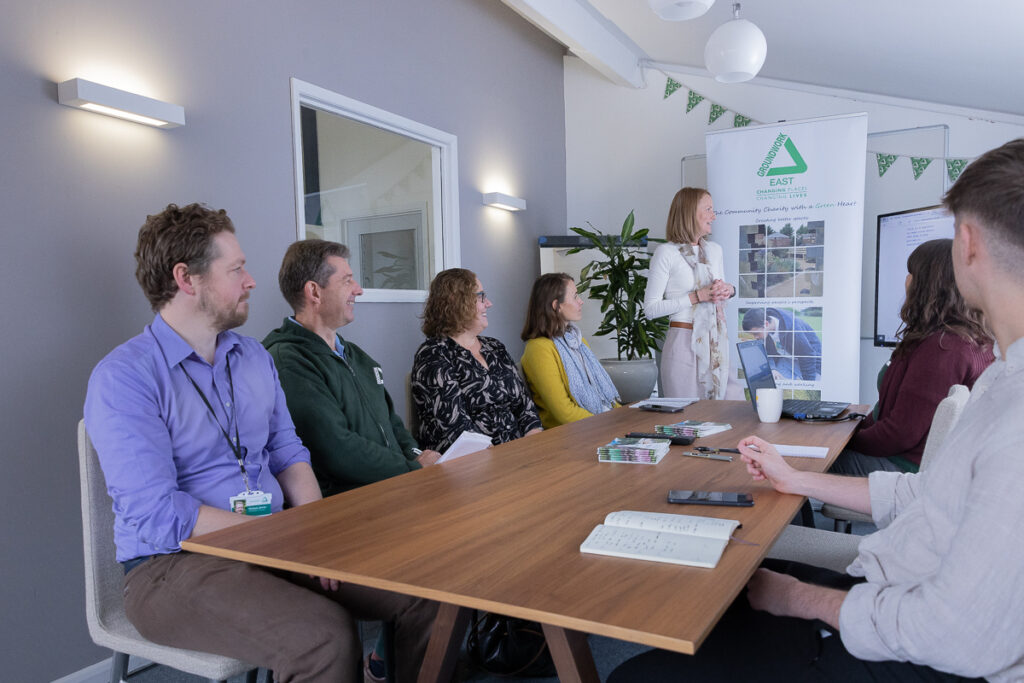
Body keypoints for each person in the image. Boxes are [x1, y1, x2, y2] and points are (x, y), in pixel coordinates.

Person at [610, 139, 1024, 681]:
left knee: (635, 673)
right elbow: (924, 493)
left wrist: (801, 599)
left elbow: (952, 634)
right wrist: (795, 480)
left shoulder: (1010, 410)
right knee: (737, 583)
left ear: (966, 243)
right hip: (890, 586)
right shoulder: (1000, 373)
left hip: (903, 641)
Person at [84, 204, 435, 683]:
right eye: (236, 269)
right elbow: (158, 513)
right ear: (187, 279)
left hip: (275, 538)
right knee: (323, 637)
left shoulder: (251, 357)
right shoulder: (124, 378)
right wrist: (279, 542)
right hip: (171, 565)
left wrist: (316, 535)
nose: (251, 281)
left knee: (428, 590)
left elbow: (289, 452)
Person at [263, 239, 441, 496]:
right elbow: (336, 448)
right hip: (350, 503)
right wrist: (410, 468)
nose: (358, 290)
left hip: (394, 487)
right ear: (314, 291)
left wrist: (417, 457)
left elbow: (393, 425)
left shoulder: (358, 357)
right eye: (347, 280)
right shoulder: (289, 360)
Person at [833, 239, 993, 475]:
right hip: (919, 463)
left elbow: (899, 434)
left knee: (807, 462)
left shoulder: (942, 348)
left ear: (927, 284)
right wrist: (847, 430)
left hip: (904, 468)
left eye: (911, 272)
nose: (906, 280)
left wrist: (839, 442)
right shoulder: (971, 339)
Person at [411, 268, 542, 452]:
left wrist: (534, 442)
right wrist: (511, 457)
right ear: (456, 301)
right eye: (481, 296)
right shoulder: (433, 355)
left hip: (518, 453)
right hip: (471, 465)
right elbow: (456, 430)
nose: (488, 303)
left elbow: (525, 407)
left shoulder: (495, 347)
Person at [643, 187, 743, 399]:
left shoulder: (715, 250)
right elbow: (650, 309)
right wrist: (696, 296)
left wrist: (728, 290)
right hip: (683, 344)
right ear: (689, 212)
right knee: (687, 423)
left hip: (716, 341)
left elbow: (719, 297)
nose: (714, 216)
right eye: (708, 209)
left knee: (731, 413)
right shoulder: (666, 253)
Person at [520, 272, 620, 428]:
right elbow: (564, 413)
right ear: (556, 306)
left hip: (597, 424)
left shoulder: (577, 340)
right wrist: (610, 424)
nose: (581, 302)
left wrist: (623, 417)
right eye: (575, 296)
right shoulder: (539, 349)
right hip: (572, 434)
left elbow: (603, 396)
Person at [741, 306, 822, 380]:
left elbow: (808, 356)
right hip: (788, 359)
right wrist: (773, 369)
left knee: (812, 384)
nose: (756, 337)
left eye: (756, 333)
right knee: (773, 378)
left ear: (766, 324)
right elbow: (768, 352)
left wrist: (808, 383)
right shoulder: (766, 330)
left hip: (812, 363)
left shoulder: (793, 329)